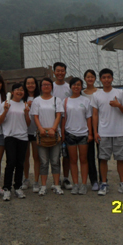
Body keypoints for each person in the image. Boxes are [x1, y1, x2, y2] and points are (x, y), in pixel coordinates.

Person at [92, 68, 123, 196]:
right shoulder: (96, 95)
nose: (106, 80)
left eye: (109, 77)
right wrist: (95, 132)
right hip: (103, 132)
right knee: (103, 159)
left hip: (119, 132)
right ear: (100, 79)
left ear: (112, 78)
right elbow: (95, 115)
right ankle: (104, 183)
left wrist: (118, 105)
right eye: (104, 77)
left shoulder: (120, 93)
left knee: (120, 159)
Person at [30, 77, 64, 196]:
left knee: (55, 161)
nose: (46, 87)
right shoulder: (36, 101)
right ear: (41, 87)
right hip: (42, 135)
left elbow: (59, 115)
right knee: (43, 162)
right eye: (44, 85)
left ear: (51, 87)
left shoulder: (57, 100)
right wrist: (40, 129)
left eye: (48, 85)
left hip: (54, 134)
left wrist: (53, 129)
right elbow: (35, 116)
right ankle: (43, 186)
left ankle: (56, 185)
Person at [0, 82, 31, 201]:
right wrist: (5, 111)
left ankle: (18, 187)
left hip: (23, 137)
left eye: (21, 90)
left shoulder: (25, 104)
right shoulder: (6, 103)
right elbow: (0, 120)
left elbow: (28, 123)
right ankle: (7, 188)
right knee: (11, 162)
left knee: (20, 163)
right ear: (12, 92)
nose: (19, 91)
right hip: (10, 136)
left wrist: (27, 113)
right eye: (17, 89)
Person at [61, 77, 92, 195]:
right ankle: (75, 184)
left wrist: (90, 133)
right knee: (73, 160)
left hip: (83, 134)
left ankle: (83, 184)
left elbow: (88, 118)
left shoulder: (86, 101)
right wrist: (63, 133)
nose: (76, 87)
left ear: (81, 87)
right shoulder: (65, 101)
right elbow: (64, 118)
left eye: (78, 85)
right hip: (70, 134)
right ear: (70, 87)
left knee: (83, 160)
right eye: (74, 85)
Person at [52, 62, 73, 190]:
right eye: (58, 70)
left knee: (66, 155)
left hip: (67, 125)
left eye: (62, 71)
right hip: (52, 126)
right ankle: (56, 179)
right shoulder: (50, 87)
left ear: (65, 72)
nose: (60, 73)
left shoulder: (69, 87)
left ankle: (66, 178)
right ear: (54, 72)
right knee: (54, 156)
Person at [82, 69, 100, 191]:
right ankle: (93, 180)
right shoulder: (81, 93)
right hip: (86, 127)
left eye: (92, 77)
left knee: (101, 155)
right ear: (85, 79)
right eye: (88, 77)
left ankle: (103, 180)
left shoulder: (99, 92)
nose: (90, 79)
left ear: (95, 79)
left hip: (99, 126)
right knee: (89, 156)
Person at [22, 76, 40, 192]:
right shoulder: (21, 98)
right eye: (28, 83)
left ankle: (36, 181)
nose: (30, 85)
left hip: (36, 130)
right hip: (24, 131)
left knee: (36, 157)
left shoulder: (40, 98)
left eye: (32, 83)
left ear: (36, 85)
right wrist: (26, 105)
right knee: (25, 157)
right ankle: (26, 179)